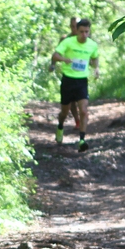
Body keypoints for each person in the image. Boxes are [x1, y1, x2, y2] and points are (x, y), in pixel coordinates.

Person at [51, 18, 100, 152]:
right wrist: (64, 59)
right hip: (68, 80)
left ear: (89, 31)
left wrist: (96, 68)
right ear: (76, 31)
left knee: (83, 111)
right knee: (64, 112)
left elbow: (95, 57)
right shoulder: (68, 42)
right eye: (81, 32)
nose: (84, 35)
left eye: (86, 32)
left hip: (82, 81)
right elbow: (55, 55)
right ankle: (60, 126)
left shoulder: (92, 45)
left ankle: (82, 140)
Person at [50, 17, 82, 133]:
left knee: (80, 99)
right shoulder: (65, 39)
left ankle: (80, 120)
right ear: (70, 26)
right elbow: (56, 54)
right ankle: (76, 121)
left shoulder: (84, 39)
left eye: (77, 26)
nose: (75, 29)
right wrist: (53, 64)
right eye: (73, 26)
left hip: (81, 74)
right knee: (71, 101)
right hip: (68, 74)